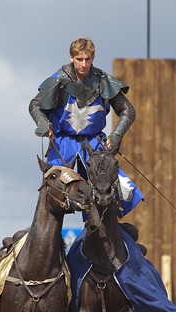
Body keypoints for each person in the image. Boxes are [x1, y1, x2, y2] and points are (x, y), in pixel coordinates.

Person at [29, 37, 143, 216]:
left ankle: (113, 235)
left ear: (93, 58)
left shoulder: (103, 81)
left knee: (111, 193)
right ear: (71, 58)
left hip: (94, 145)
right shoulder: (58, 80)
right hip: (63, 143)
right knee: (51, 195)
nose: (83, 64)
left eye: (87, 59)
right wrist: (44, 123)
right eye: (79, 59)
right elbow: (35, 105)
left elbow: (128, 110)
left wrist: (115, 136)